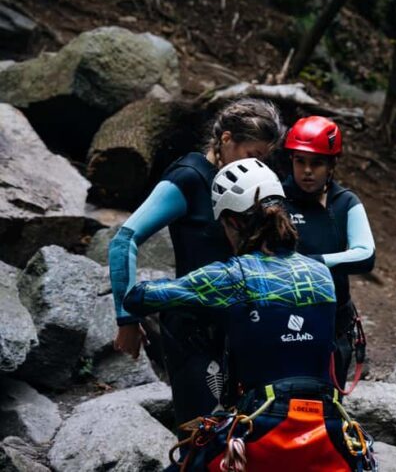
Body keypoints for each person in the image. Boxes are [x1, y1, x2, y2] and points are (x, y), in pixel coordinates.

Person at [123, 159, 373, 471]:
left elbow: (138, 298)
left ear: (234, 223)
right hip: (328, 426)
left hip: (263, 424)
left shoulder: (232, 274)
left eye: (224, 226)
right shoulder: (319, 272)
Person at [109, 98, 285, 427]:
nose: (260, 165)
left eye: (265, 157)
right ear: (227, 139)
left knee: (249, 432)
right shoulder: (189, 177)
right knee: (201, 433)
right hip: (192, 329)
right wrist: (127, 319)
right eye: (253, 155)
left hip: (240, 326)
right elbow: (124, 240)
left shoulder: (251, 182)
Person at [282, 116, 376, 390]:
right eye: (300, 161)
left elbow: (365, 254)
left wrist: (315, 262)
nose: (307, 171)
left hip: (334, 322)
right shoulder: (275, 198)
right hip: (284, 319)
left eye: (317, 163)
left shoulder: (345, 202)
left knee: (329, 404)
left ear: (332, 165)